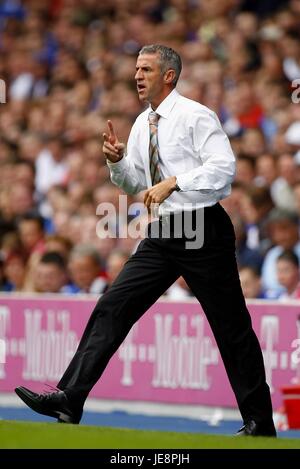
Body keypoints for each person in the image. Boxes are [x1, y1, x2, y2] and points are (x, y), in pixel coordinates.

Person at [15, 44, 276, 437]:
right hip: (164, 230)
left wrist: (176, 181)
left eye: (146, 69)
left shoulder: (195, 115)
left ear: (169, 75)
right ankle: (70, 397)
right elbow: (135, 183)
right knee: (113, 305)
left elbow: (224, 169)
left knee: (231, 326)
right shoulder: (142, 123)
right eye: (137, 68)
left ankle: (260, 423)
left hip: (203, 228)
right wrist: (117, 161)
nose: (137, 75)